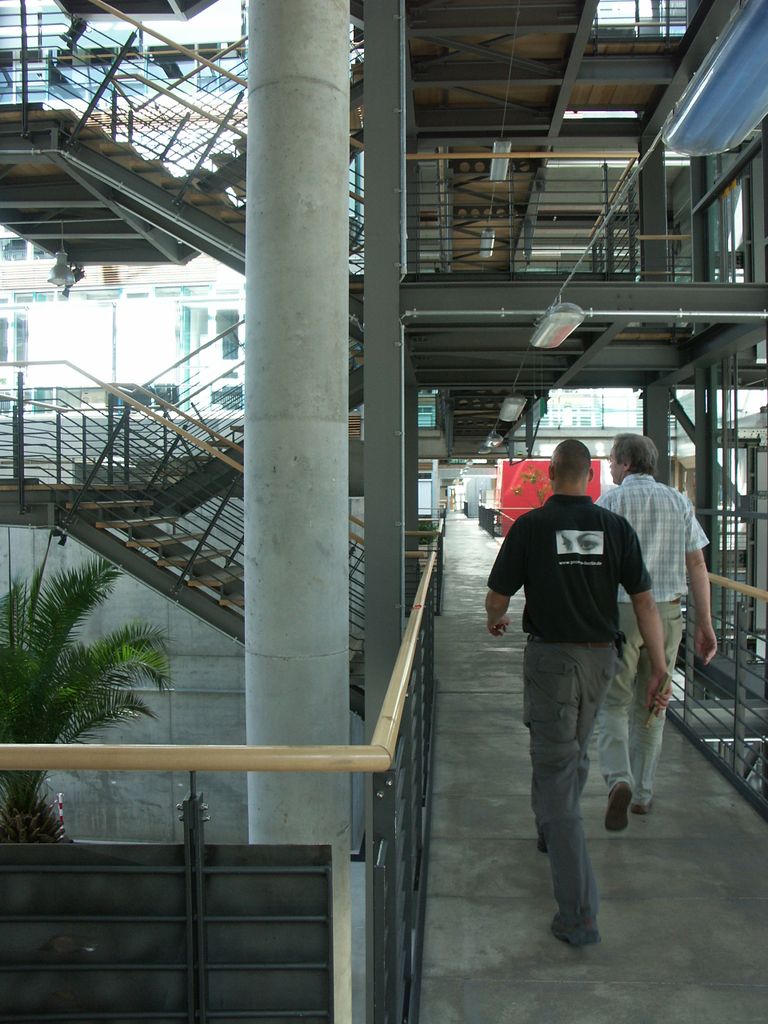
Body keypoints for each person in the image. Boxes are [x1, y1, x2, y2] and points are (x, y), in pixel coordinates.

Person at [485, 439, 667, 947]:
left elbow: (497, 596)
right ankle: (548, 828)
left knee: (557, 775)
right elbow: (645, 603)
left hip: (552, 664)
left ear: (550, 476)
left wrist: (495, 619)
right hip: (602, 661)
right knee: (571, 754)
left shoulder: (531, 527)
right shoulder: (615, 527)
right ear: (590, 476)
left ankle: (579, 914)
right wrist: (659, 665)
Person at [596, 434, 717, 827]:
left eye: (612, 461)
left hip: (619, 613)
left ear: (625, 463)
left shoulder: (609, 504)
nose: (610, 467)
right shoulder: (678, 502)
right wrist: (705, 623)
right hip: (666, 615)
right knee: (654, 704)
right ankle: (643, 794)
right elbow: (697, 566)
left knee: (613, 703)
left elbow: (593, 566)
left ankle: (619, 778)